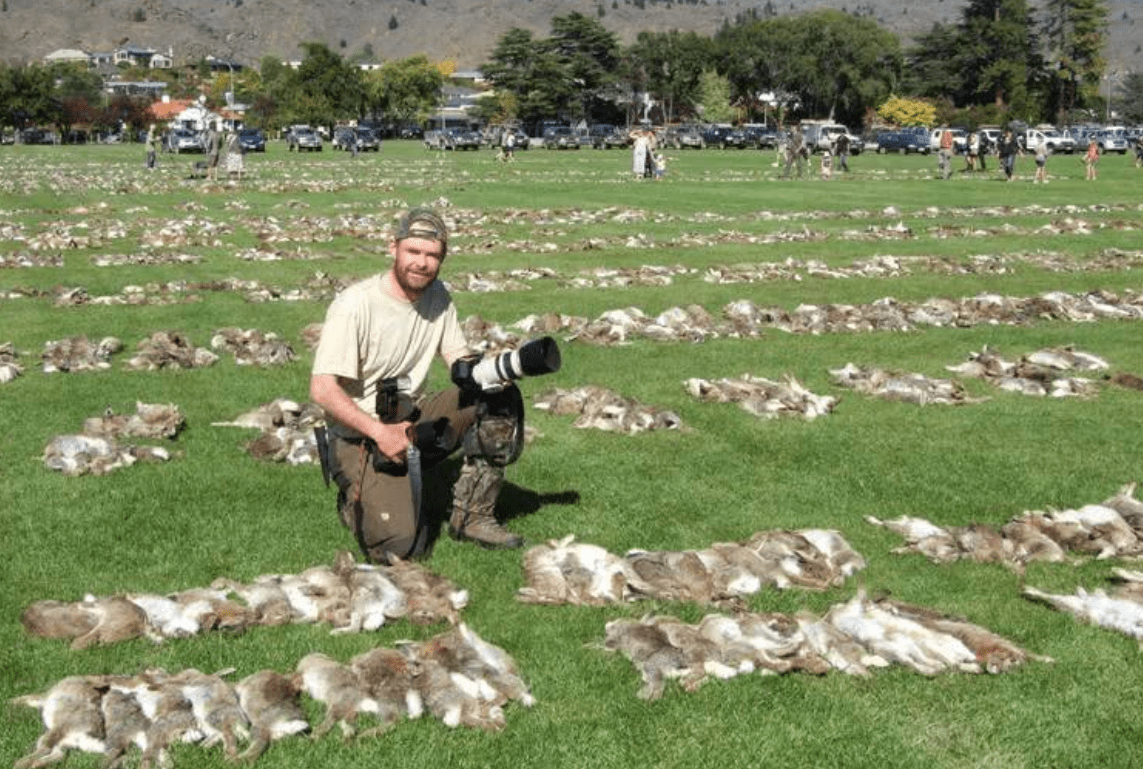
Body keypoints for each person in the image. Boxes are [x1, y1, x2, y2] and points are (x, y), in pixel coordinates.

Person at [310, 208, 527, 562]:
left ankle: (471, 515)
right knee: (402, 548)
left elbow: (459, 361)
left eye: (432, 255)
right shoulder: (355, 305)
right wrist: (381, 434)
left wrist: (499, 370)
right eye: (414, 252)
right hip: (358, 434)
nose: (422, 263)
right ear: (393, 248)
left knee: (496, 396)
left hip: (409, 414)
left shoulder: (437, 295)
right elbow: (322, 389)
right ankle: (354, 498)